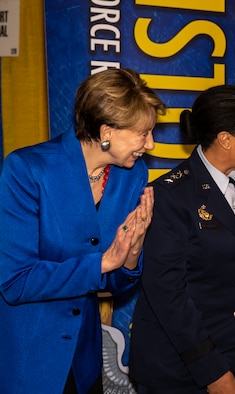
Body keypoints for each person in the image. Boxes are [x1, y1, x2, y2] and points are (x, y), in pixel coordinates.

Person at [0, 68, 166, 393]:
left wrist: (132, 253)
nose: (151, 143)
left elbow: (118, 283)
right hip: (31, 360)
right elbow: (14, 281)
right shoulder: (28, 170)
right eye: (143, 133)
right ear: (107, 131)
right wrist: (101, 263)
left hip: (85, 360)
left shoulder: (132, 176)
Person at [130, 85, 235, 394]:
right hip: (181, 372)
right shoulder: (171, 196)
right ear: (226, 139)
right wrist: (211, 370)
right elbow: (167, 294)